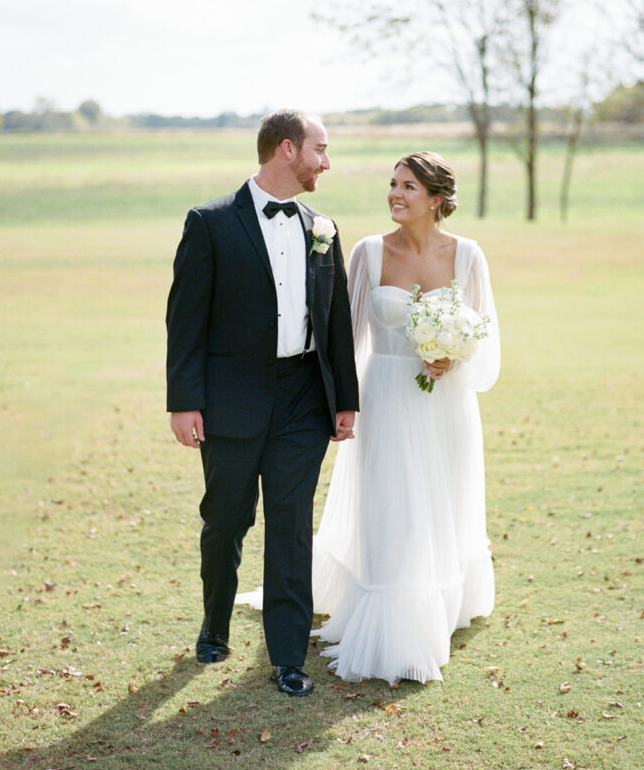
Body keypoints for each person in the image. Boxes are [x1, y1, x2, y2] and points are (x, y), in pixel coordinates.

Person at [166, 110, 359, 697]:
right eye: (320, 149)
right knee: (226, 520)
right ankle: (215, 625)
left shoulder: (322, 226)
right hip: (229, 400)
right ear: (286, 150)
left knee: (291, 525)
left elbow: (335, 320)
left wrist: (344, 398)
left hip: (302, 399)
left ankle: (286, 657)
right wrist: (183, 401)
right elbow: (185, 320)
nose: (327, 162)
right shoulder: (210, 223)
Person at [312, 151, 500, 685]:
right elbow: (344, 340)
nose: (395, 193)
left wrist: (453, 355)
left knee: (439, 503)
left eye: (409, 186)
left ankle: (441, 601)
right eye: (392, 183)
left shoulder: (468, 257)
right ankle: (396, 627)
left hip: (446, 404)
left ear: (437, 199)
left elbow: (483, 337)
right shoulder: (369, 254)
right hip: (386, 400)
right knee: (395, 507)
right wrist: (340, 408)